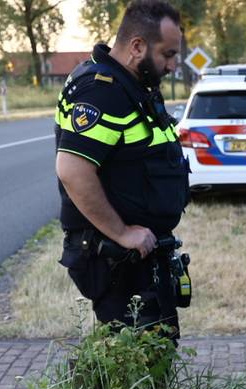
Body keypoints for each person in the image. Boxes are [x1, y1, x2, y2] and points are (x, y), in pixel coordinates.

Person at [55, 0, 191, 336]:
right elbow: (73, 170)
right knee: (133, 366)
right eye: (168, 54)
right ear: (137, 46)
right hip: (116, 257)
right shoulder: (101, 91)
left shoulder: (131, 87)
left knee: (152, 356)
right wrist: (121, 233)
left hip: (142, 253)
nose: (173, 65)